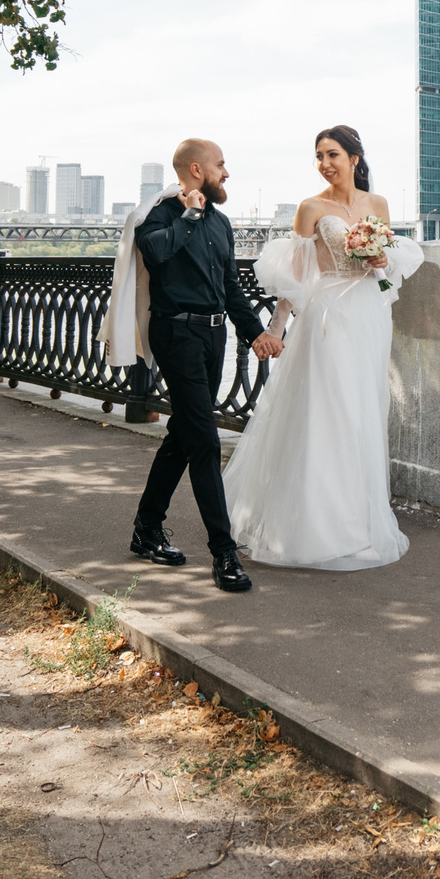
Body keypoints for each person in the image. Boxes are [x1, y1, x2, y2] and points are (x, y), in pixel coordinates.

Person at [223, 125, 424, 571]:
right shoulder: (310, 208)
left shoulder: (378, 206)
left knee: (361, 413)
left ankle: (359, 522)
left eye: (333, 154)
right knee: (326, 412)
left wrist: (381, 262)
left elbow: (387, 277)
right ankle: (317, 526)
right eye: (319, 156)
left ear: (355, 157)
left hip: (370, 318)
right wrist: (275, 330)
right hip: (328, 317)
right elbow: (294, 277)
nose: (325, 163)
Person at [103, 137, 280, 595]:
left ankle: (146, 528)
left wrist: (255, 333)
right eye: (221, 165)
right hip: (175, 333)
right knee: (203, 439)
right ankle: (223, 552)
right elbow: (157, 253)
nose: (228, 173)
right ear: (197, 170)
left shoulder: (221, 225)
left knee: (183, 434)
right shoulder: (158, 214)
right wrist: (190, 214)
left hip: (213, 334)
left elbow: (231, 290)